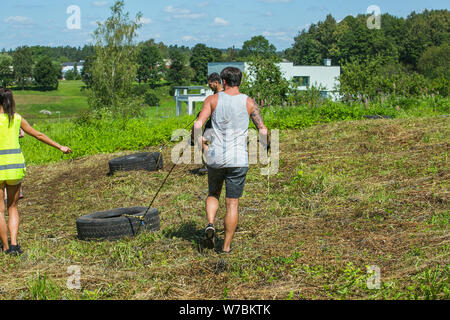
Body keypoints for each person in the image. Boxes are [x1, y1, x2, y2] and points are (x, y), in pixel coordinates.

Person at [193, 67, 269, 253]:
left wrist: (201, 146)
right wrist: (265, 148)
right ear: (240, 82)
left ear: (223, 82)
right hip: (239, 159)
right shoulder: (249, 102)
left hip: (215, 158)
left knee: (213, 193)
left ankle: (210, 223)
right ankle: (226, 247)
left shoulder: (212, 100)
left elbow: (197, 125)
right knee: (232, 202)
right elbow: (263, 130)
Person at [0, 88, 72, 255]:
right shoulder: (17, 119)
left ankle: (4, 247)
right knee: (12, 207)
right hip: (15, 168)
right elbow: (38, 135)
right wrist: (59, 146)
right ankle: (15, 245)